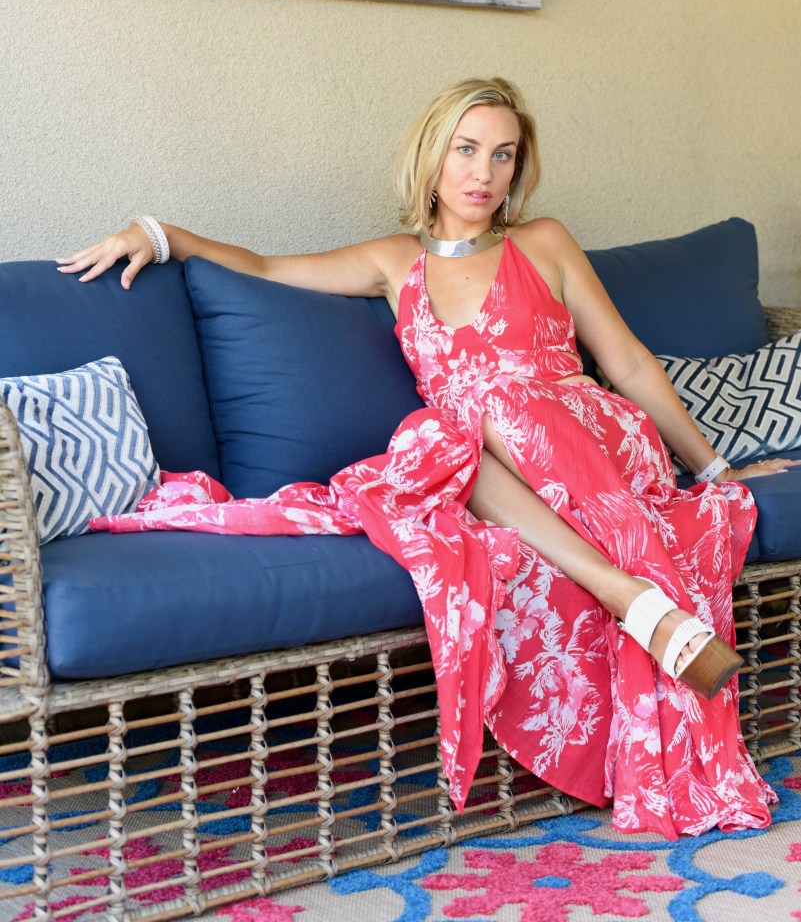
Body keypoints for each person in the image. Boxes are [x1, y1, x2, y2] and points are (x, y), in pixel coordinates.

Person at [58, 76, 794, 838]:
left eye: (502, 155)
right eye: (466, 150)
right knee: (434, 433)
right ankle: (627, 596)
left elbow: (629, 363)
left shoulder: (542, 242)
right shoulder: (393, 261)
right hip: (485, 467)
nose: (483, 173)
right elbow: (268, 270)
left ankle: (624, 594)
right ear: (432, 158)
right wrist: (161, 236)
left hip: (587, 437)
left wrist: (714, 471)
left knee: (481, 407)